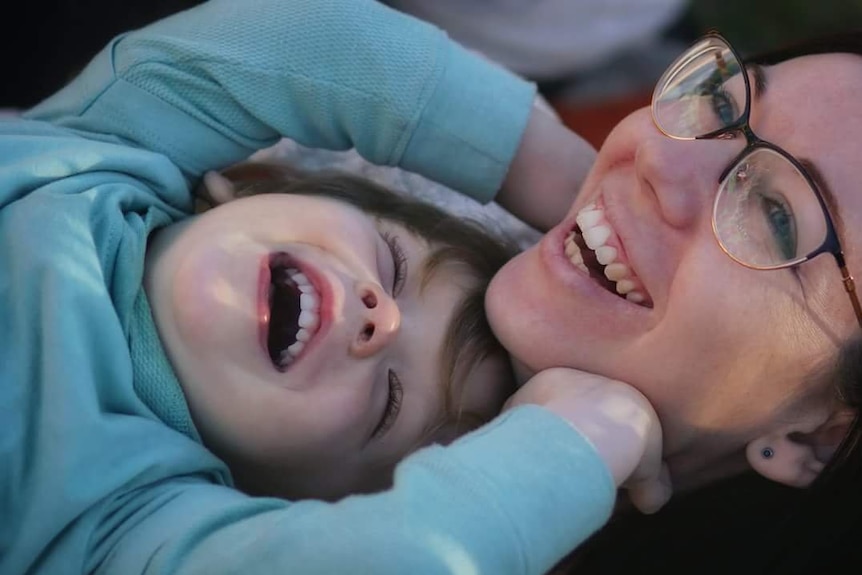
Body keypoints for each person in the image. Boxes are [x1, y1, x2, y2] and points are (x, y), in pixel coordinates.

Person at [0, 0, 666, 573]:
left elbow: (397, 555)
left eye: (389, 402)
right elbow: (312, 44)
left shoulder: (129, 529)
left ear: (287, 510)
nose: (384, 319)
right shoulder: (108, 148)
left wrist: (570, 443)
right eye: (393, 263)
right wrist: (561, 180)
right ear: (253, 186)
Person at [480, 30, 862, 573]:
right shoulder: (413, 170)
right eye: (723, 101)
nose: (660, 156)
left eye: (777, 215)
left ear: (822, 437)